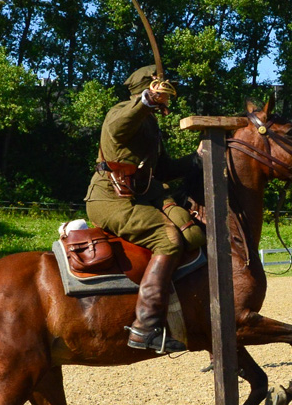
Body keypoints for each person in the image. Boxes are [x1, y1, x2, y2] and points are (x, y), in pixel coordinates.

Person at [84, 65, 204, 354]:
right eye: (161, 90)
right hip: (111, 200)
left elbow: (162, 168)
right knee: (168, 239)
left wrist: (199, 157)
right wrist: (146, 100)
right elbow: (119, 125)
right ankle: (144, 327)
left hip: (146, 197)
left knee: (193, 235)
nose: (166, 96)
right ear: (148, 89)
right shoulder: (122, 111)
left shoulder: (150, 124)